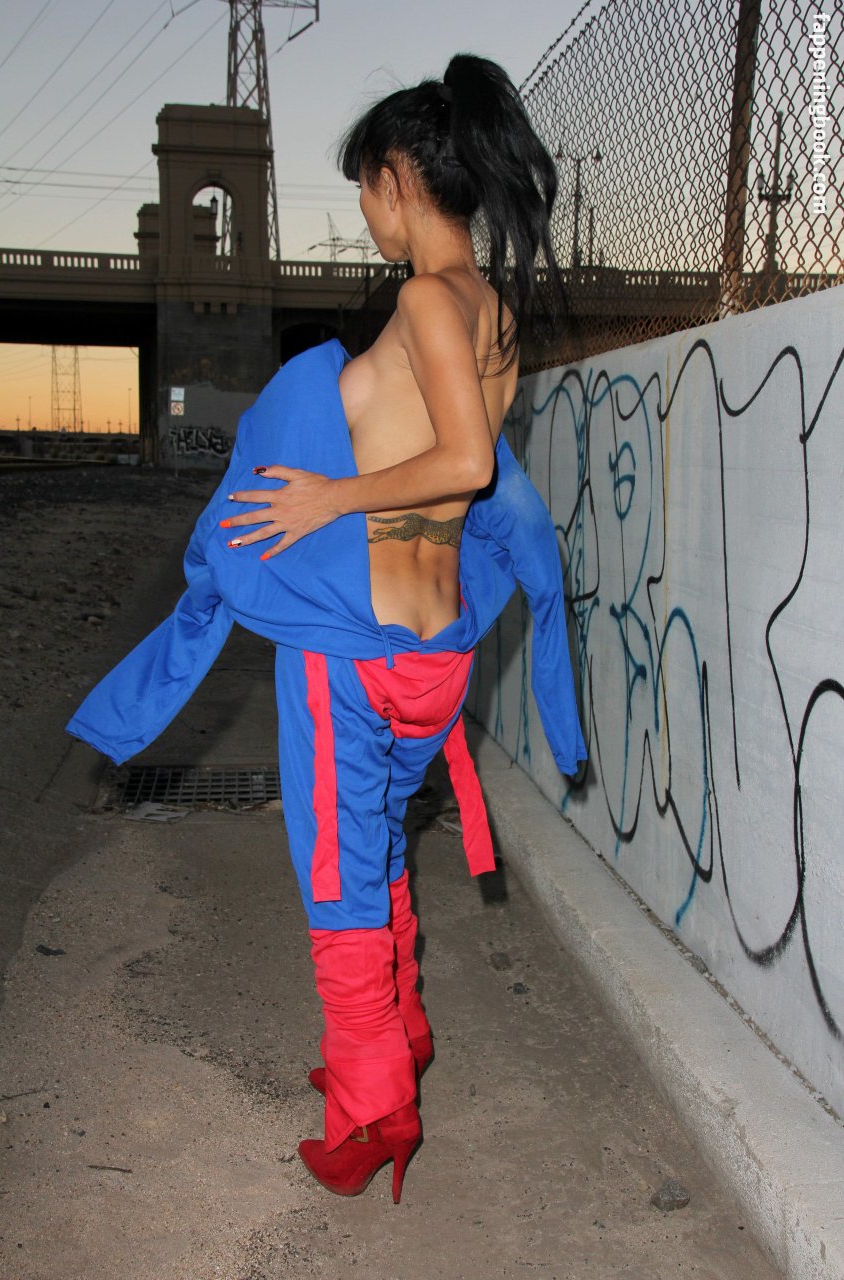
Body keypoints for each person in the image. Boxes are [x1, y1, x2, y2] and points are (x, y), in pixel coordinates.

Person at [67, 53, 585, 1204]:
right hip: (435, 655)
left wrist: (326, 497)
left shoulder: (425, 300)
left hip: (354, 658)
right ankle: (396, 1033)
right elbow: (470, 473)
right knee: (378, 846)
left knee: (337, 878)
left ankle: (369, 1107)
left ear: (401, 177)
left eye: (364, 186)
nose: (363, 212)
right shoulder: (494, 310)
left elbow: (462, 461)